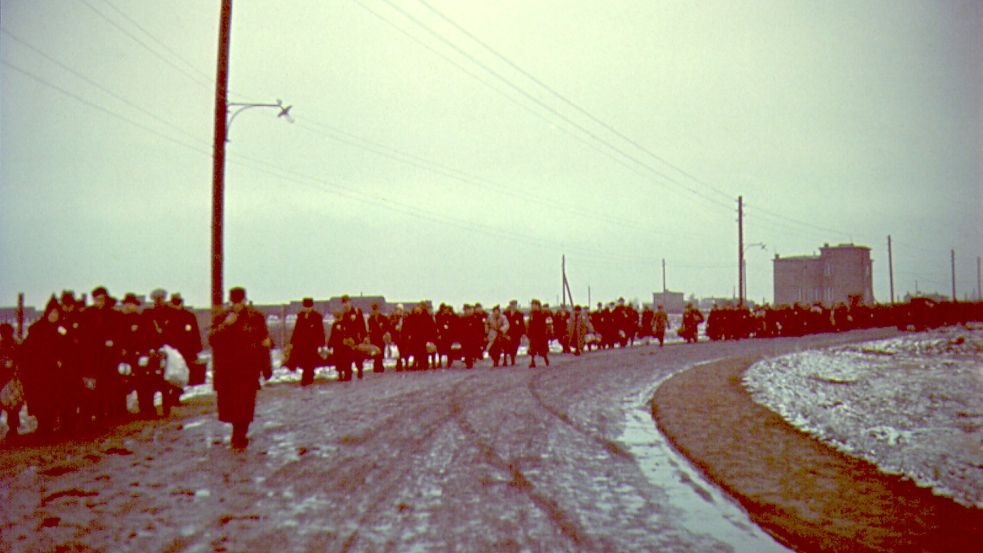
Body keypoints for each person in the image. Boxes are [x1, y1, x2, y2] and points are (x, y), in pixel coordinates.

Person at [208, 287, 271, 449]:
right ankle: (237, 430)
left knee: (246, 404)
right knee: (231, 405)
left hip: (249, 369)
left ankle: (240, 433)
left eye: (239, 302)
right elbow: (212, 339)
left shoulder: (255, 318)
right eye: (234, 302)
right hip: (228, 370)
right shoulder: (222, 318)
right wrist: (226, 325)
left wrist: (267, 368)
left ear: (244, 301)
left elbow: (264, 342)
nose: (237, 306)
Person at [21, 297, 77, 435]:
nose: (54, 316)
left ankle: (65, 426)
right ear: (47, 313)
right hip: (42, 372)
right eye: (52, 313)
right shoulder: (37, 329)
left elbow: (70, 347)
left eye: (56, 313)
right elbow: (30, 350)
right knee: (43, 401)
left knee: (62, 399)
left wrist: (63, 360)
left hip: (60, 372)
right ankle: (44, 427)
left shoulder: (63, 329)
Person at [79, 286, 125, 425]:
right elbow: (83, 334)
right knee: (91, 386)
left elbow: (119, 334)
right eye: (96, 299)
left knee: (107, 386)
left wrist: (113, 342)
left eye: (101, 299)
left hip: (108, 357)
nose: (98, 302)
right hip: (92, 356)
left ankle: (105, 414)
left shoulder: (113, 315)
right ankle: (91, 414)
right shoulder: (87, 314)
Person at [289, 298, 326, 386]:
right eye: (306, 307)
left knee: (309, 362)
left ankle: (307, 379)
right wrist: (292, 342)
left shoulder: (317, 316)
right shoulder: (300, 316)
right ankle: (307, 376)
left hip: (312, 345)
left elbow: (320, 331)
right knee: (303, 361)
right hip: (301, 344)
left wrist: (321, 344)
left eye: (309, 306)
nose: (307, 308)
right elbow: (296, 330)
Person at [1, 323, 23, 438]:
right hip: (11, 379)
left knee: (11, 407)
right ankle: (13, 430)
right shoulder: (17, 344)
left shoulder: (11, 345)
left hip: (7, 379)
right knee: (13, 407)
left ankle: (13, 429)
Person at [525, 300, 550, 368]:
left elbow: (548, 323)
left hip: (541, 334)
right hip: (533, 334)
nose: (532, 306)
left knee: (543, 349)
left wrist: (547, 332)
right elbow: (529, 323)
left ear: (538, 305)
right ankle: (532, 362)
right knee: (532, 349)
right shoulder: (531, 313)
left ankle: (545, 359)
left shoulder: (543, 313)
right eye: (532, 305)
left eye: (534, 305)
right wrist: (528, 333)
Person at [367, 303, 390, 373]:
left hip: (381, 337)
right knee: (376, 352)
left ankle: (380, 365)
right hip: (374, 338)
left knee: (381, 351)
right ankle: (377, 365)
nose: (375, 311)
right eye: (374, 310)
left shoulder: (383, 318)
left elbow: (387, 327)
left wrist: (386, 334)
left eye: (376, 309)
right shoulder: (370, 319)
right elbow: (369, 329)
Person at [504, 300, 525, 366]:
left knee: (515, 346)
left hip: (516, 334)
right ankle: (505, 360)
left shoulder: (520, 314)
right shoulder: (505, 313)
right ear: (510, 305)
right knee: (506, 346)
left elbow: (522, 324)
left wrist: (522, 333)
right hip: (507, 333)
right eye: (512, 305)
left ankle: (513, 359)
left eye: (515, 305)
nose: (513, 306)